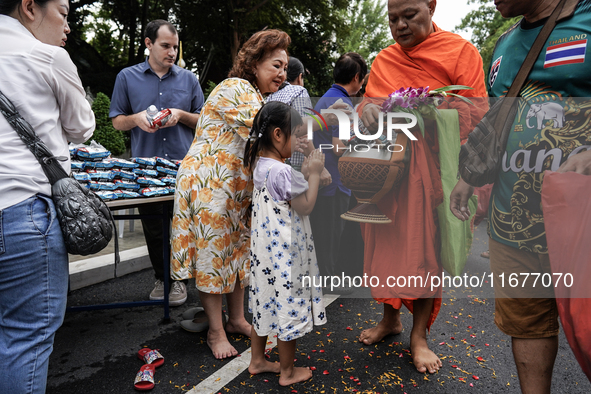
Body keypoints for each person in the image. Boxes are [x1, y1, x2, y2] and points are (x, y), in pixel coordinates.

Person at [451, 0, 591, 392]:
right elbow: (500, 121)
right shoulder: (504, 45)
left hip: (584, 222)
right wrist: (471, 177)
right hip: (514, 225)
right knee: (527, 324)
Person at [356, 0, 487, 374]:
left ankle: (420, 336)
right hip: (388, 175)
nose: (400, 25)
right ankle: (390, 318)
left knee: (424, 253)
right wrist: (367, 112)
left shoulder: (460, 52)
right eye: (393, 18)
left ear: (431, 7)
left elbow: (474, 113)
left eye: (409, 15)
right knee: (387, 250)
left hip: (432, 174)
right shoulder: (384, 60)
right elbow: (369, 109)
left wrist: (430, 109)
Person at [171, 29, 290, 359]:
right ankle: (216, 330)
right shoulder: (236, 88)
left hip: (235, 189)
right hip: (210, 186)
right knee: (214, 258)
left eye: (285, 67)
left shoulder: (255, 95)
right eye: (275, 65)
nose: (282, 73)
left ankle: (237, 319)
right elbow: (265, 133)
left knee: (238, 255)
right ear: (253, 63)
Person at [0, 1, 95, 393]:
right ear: (28, 7)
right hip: (23, 213)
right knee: (25, 339)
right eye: (63, 12)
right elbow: (82, 128)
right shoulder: (49, 57)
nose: (68, 25)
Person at [109, 19, 204, 307]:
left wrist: (180, 114)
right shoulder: (127, 77)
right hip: (146, 168)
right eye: (165, 46)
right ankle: (162, 277)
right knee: (153, 227)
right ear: (148, 44)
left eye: (175, 47)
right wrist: (136, 119)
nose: (172, 52)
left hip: (183, 167)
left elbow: (204, 120)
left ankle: (180, 281)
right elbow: (116, 121)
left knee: (182, 226)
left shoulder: (189, 79)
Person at [244, 101, 326, 386]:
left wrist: (308, 168)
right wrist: (313, 172)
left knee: (265, 302)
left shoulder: (262, 165)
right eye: (297, 135)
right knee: (288, 308)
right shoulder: (283, 172)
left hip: (265, 256)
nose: (299, 141)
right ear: (278, 135)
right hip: (286, 257)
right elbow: (305, 206)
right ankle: (288, 372)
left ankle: (257, 360)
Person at [310, 52, 368, 284]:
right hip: (334, 181)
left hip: (322, 177)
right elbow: (338, 147)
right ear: (356, 77)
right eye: (362, 79)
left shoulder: (326, 98)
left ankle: (325, 278)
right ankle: (329, 281)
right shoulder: (343, 104)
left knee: (323, 232)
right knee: (331, 234)